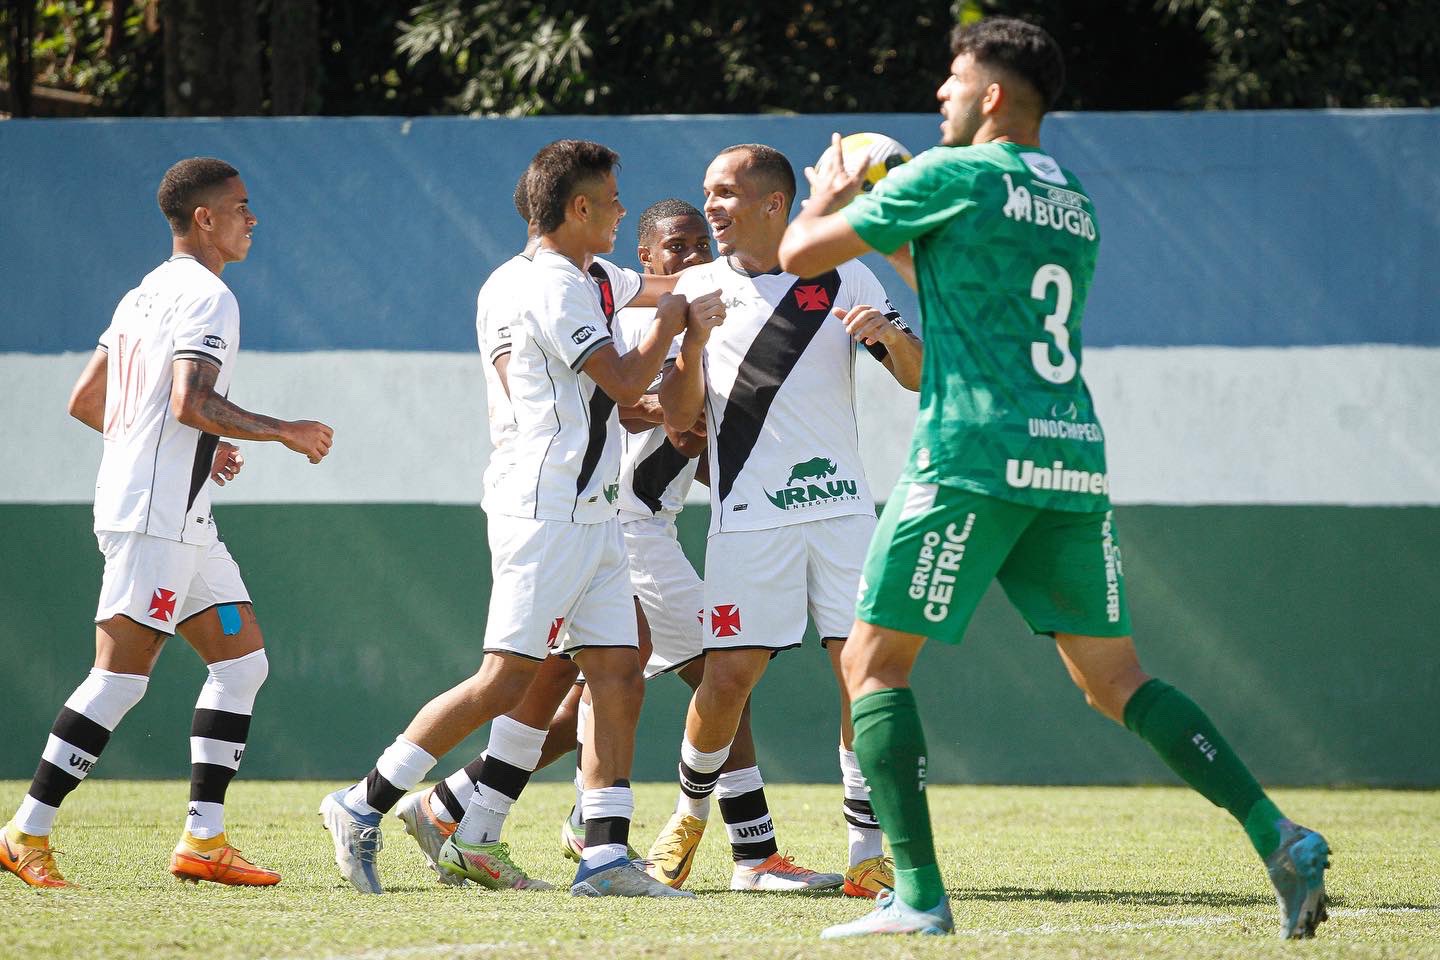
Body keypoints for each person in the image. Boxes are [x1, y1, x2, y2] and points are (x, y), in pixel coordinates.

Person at [777, 16, 1331, 940]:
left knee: (873, 666)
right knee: (1115, 676)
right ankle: (1277, 834)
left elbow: (799, 259)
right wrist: (887, 224)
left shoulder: (949, 174)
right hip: (1068, 458)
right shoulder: (1072, 197)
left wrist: (826, 199)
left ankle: (915, 896)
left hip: (971, 455)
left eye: (954, 80)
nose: (942, 97)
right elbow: (953, 284)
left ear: (992, 94)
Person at [320, 139, 726, 899]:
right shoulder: (551, 287)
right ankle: (361, 803)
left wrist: (757, 269)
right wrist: (673, 327)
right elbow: (629, 371)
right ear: (578, 208)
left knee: (617, 671)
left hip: (594, 510)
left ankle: (604, 857)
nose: (619, 210)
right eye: (610, 199)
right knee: (505, 680)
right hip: (544, 510)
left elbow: (663, 287)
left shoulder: (592, 274)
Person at [0, 157, 334, 889]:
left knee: (243, 663)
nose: (253, 219)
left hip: (176, 512)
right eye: (242, 207)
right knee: (119, 681)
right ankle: (24, 831)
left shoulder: (142, 294)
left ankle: (202, 841)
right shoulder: (209, 296)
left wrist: (194, 454)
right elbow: (189, 402)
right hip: (153, 518)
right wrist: (283, 430)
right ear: (206, 219)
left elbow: (89, 401)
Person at [648, 144, 923, 895]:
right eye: (707, 191)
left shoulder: (845, 273)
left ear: (775, 204)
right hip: (748, 518)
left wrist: (890, 337)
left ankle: (868, 852)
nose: (711, 207)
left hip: (842, 512)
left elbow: (917, 374)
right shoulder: (694, 289)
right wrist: (692, 340)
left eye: (727, 193)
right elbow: (677, 419)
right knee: (728, 677)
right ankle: (687, 820)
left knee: (858, 670)